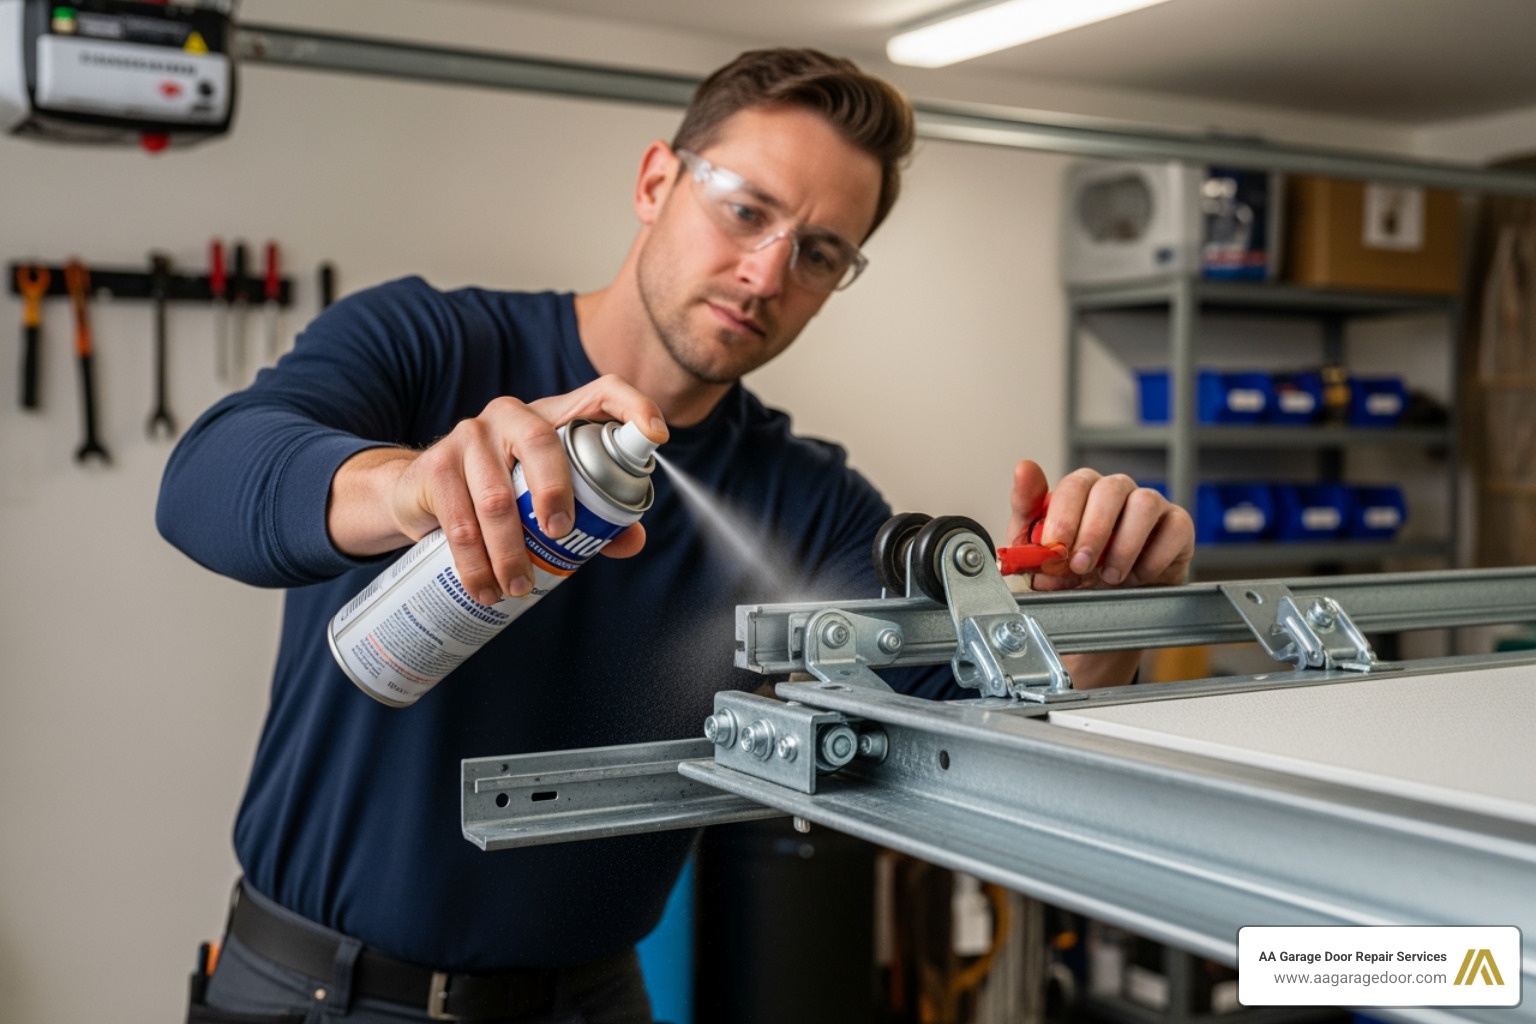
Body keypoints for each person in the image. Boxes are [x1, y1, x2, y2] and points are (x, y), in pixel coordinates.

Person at [158, 48, 1193, 1024]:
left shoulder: (807, 501)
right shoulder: (428, 346)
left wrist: (1092, 627)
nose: (767, 270)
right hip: (312, 991)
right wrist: (409, 487)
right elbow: (205, 483)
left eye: (821, 252)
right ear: (657, 181)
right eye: (746, 210)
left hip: (592, 1000)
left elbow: (977, 724)